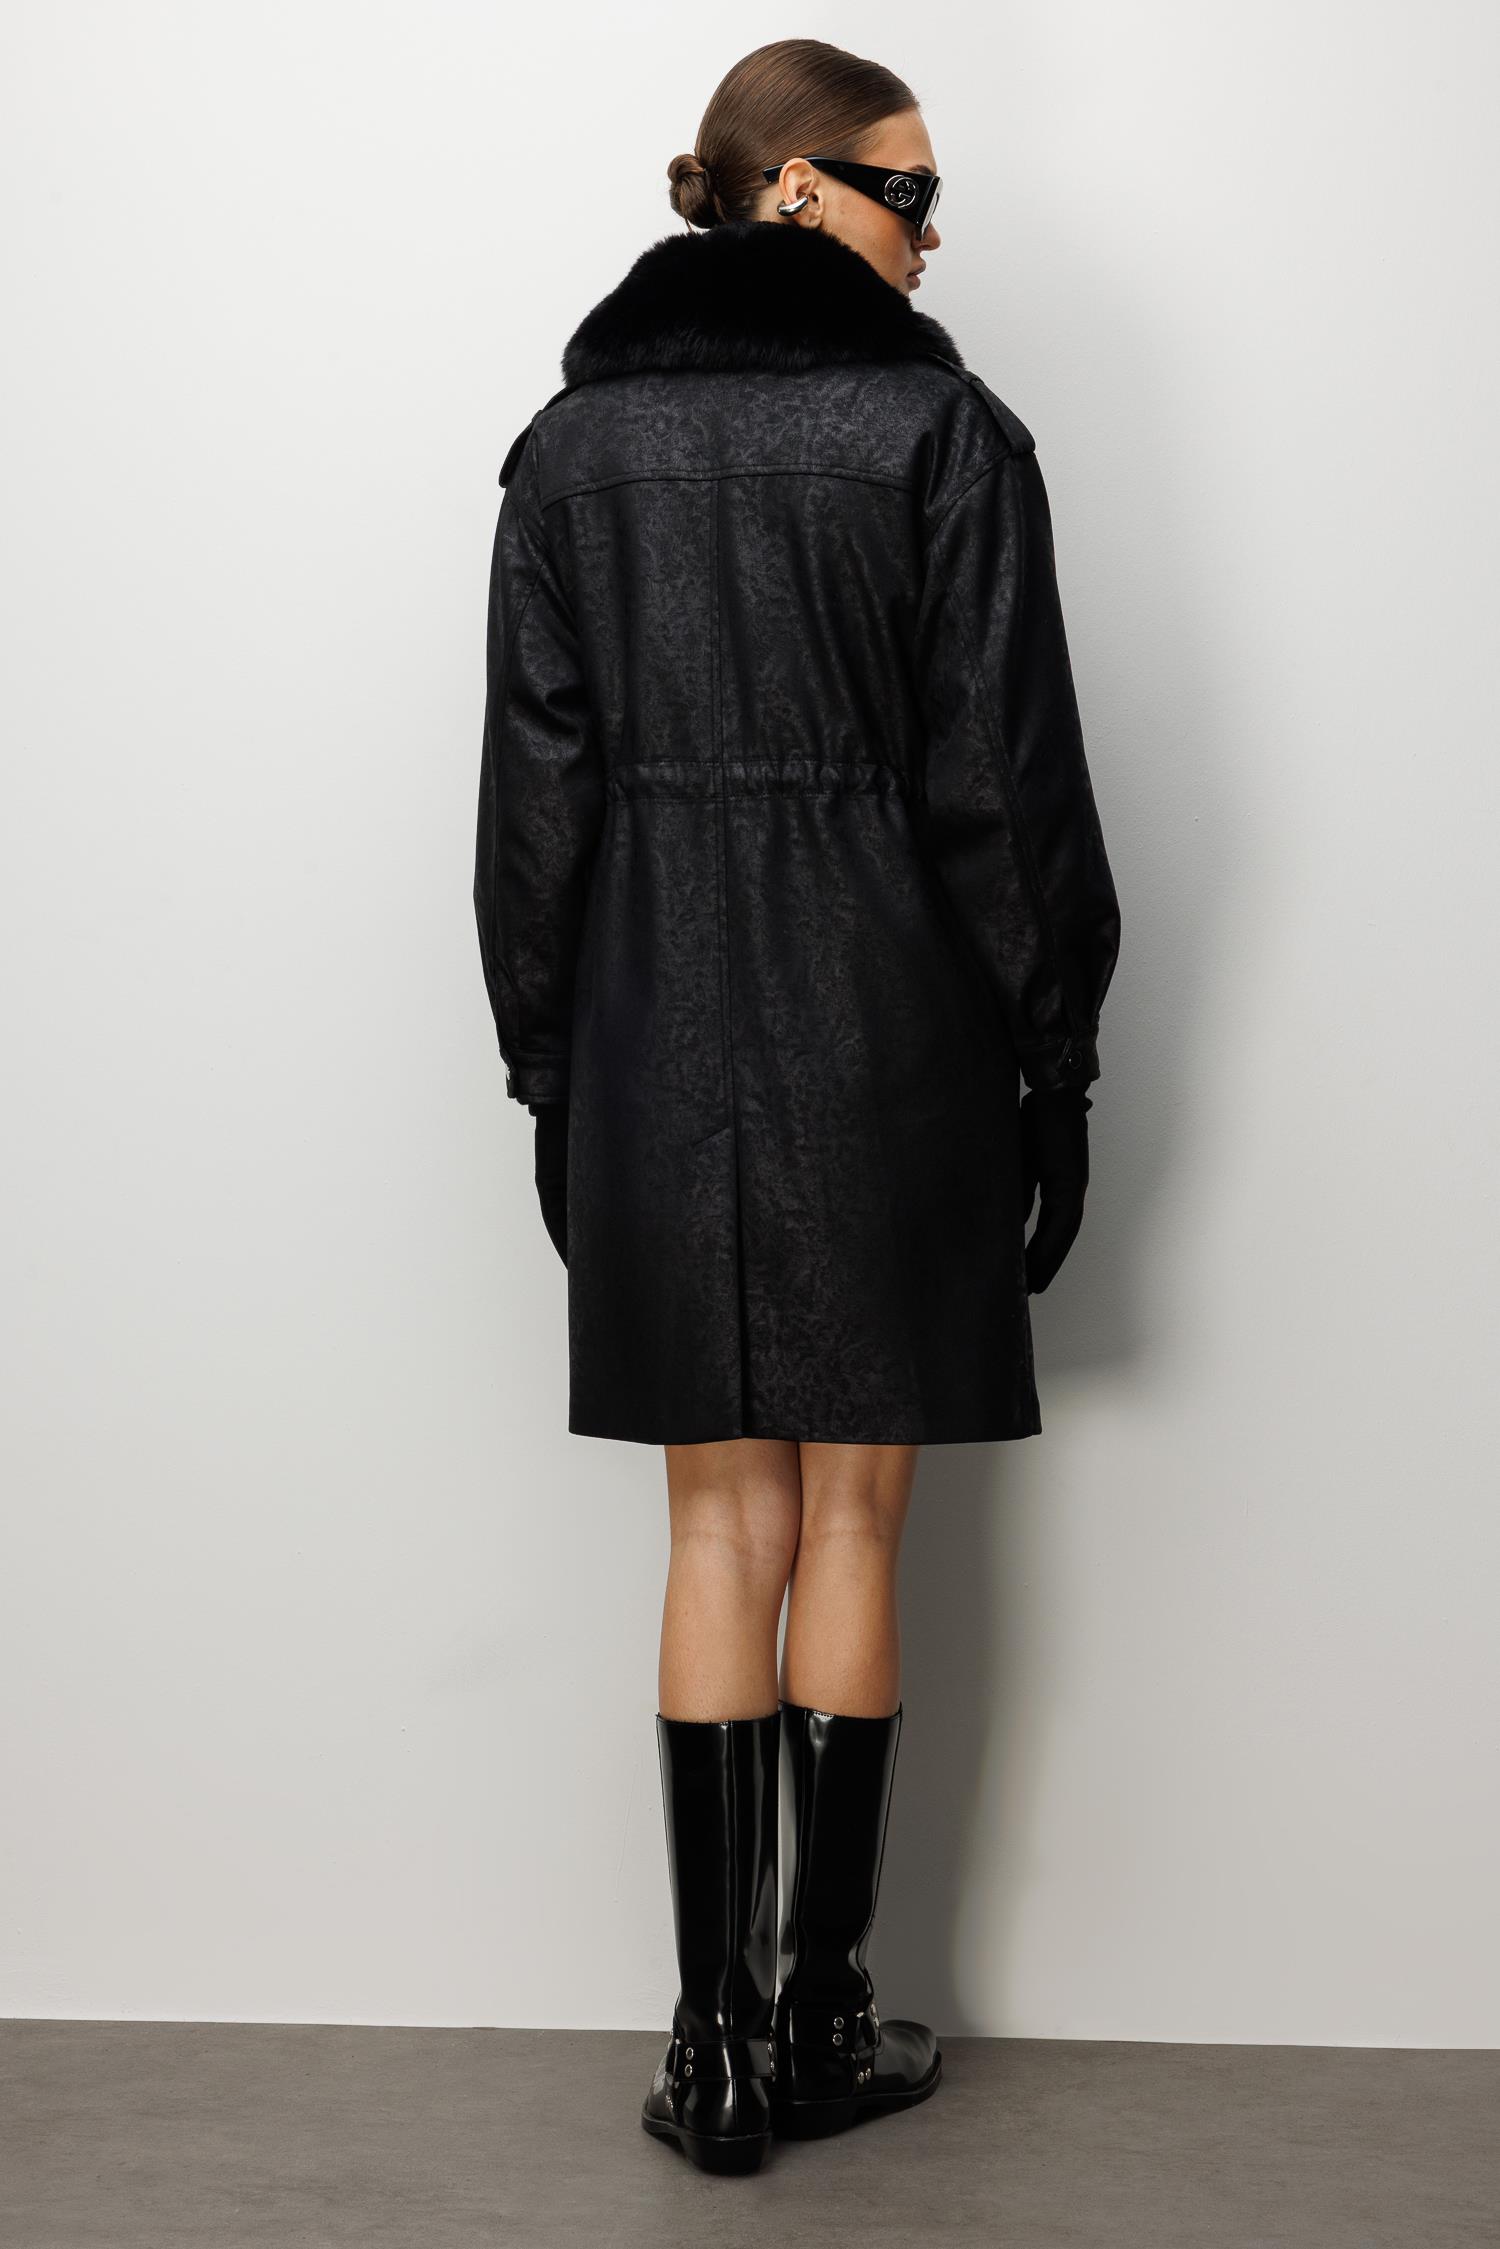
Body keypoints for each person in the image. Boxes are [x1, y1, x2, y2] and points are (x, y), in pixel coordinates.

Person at [473, 38, 1121, 2176]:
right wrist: (1054, 1058)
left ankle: (715, 2050)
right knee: (848, 1520)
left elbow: (534, 805)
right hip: (889, 1032)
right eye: (908, 192)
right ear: (795, 194)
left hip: (655, 1030)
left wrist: (550, 1064)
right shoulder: (942, 435)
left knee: (711, 1527)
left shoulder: (570, 455)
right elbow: (1005, 785)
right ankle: (824, 2015)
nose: (936, 234)